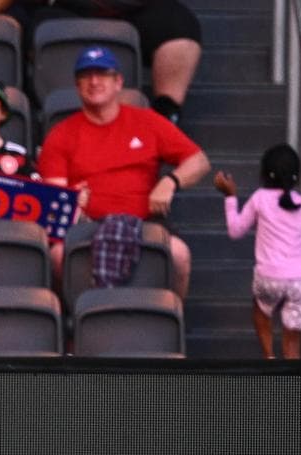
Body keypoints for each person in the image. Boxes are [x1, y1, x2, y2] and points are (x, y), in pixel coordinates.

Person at [37, 46, 209, 295]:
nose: (94, 81)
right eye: (86, 76)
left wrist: (170, 181)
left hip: (144, 221)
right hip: (87, 224)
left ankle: (171, 326)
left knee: (179, 254)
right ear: (77, 85)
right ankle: (76, 326)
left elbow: (199, 161)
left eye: (103, 74)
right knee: (58, 256)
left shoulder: (146, 121)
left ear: (118, 82)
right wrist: (73, 200)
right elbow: (55, 197)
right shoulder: (61, 135)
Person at [214, 144, 301, 359]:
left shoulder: (260, 198)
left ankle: (269, 357)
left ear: (264, 174)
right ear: (297, 176)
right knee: (293, 343)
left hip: (269, 278)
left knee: (260, 308)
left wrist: (230, 196)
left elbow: (235, 230)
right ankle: (292, 378)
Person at [18, 0, 202, 124]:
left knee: (178, 23)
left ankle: (165, 114)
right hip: (68, 8)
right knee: (40, 25)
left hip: (133, 9)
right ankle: (53, 116)